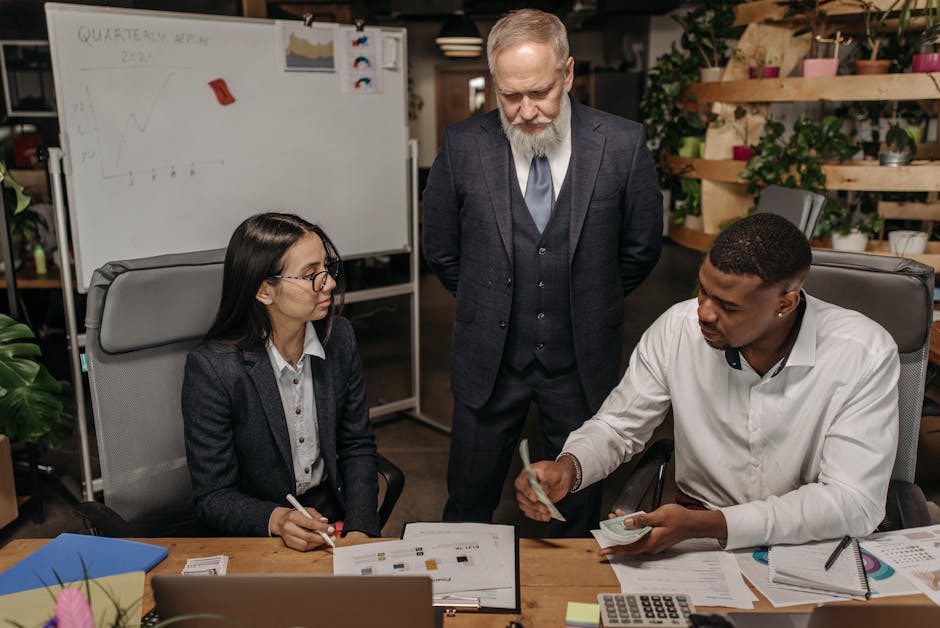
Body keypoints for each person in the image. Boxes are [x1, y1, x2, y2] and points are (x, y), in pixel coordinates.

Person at [516, 213, 900, 553]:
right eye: (703, 290)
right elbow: (618, 427)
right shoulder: (677, 328)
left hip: (814, 544)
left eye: (728, 306)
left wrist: (717, 525)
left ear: (785, 303)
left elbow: (854, 502)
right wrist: (571, 465)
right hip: (697, 539)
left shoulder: (862, 352)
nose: (704, 312)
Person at [423, 8, 663, 536]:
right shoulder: (463, 145)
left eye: (540, 92)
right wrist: (488, 300)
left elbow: (641, 249)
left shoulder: (621, 144)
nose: (527, 110)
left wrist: (586, 296)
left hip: (579, 363)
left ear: (568, 73)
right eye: (510, 97)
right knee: (467, 501)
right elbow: (440, 249)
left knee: (571, 514)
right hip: (488, 361)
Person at [182, 212, 379, 551]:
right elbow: (213, 496)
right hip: (261, 533)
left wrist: (361, 529)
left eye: (326, 269)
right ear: (264, 291)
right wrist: (276, 519)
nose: (328, 283)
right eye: (310, 275)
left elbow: (357, 445)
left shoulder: (340, 338)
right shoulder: (214, 369)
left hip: (330, 518)